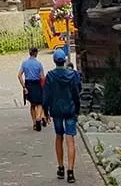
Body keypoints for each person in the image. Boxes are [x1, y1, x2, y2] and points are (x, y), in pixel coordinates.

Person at [43, 49, 83, 182]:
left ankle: (60, 167)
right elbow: (76, 94)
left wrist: (45, 111)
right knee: (70, 139)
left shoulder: (50, 76)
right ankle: (71, 171)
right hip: (70, 110)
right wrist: (77, 109)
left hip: (57, 111)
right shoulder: (73, 75)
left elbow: (47, 95)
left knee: (59, 137)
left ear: (54, 61)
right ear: (65, 60)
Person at [18, 47, 46, 130]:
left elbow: (19, 75)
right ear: (36, 53)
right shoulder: (39, 64)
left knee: (32, 104)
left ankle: (34, 123)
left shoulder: (24, 63)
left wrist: (24, 86)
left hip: (28, 84)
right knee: (40, 103)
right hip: (37, 84)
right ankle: (38, 118)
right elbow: (42, 77)